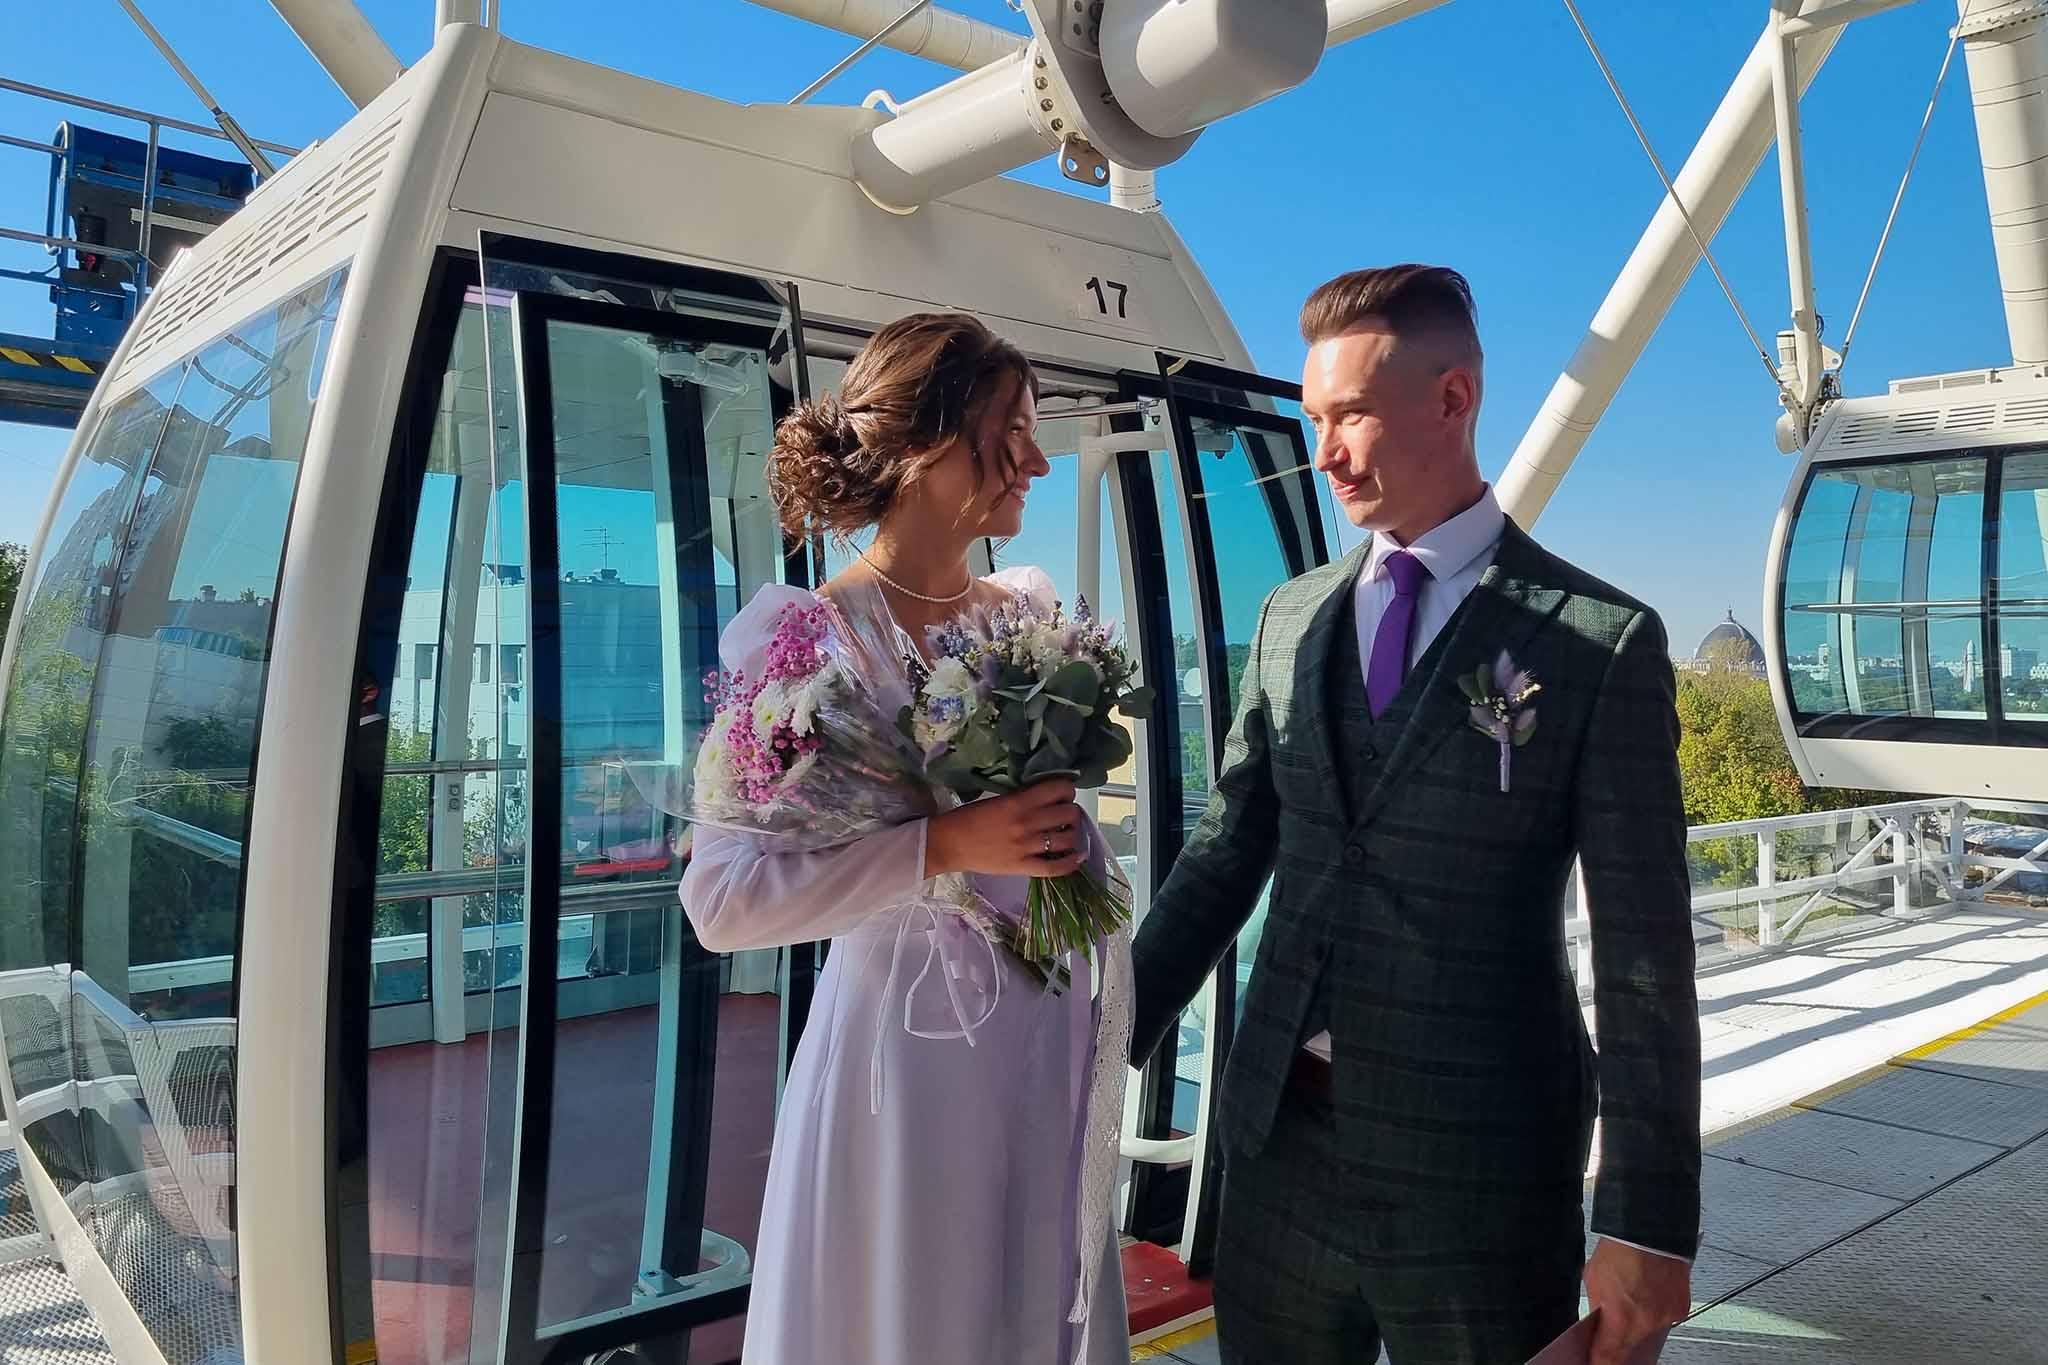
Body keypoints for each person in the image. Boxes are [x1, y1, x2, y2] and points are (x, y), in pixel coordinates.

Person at [1129, 265, 1701, 1365]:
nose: (1325, 453)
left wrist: (1647, 1220)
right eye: (1314, 420)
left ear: (1452, 399)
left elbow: (1643, 952)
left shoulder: (1599, 642)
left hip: (1482, 1172)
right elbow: (1225, 851)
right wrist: (1097, 1041)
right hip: (1277, 1151)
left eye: (1349, 415)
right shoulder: (1290, 617)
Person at [680, 313, 1130, 1365]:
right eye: (1011, 433)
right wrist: (944, 845)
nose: (1037, 462)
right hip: (904, 1071)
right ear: (929, 446)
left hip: (1043, 1043)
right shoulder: (803, 647)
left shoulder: (1024, 614)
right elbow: (721, 903)